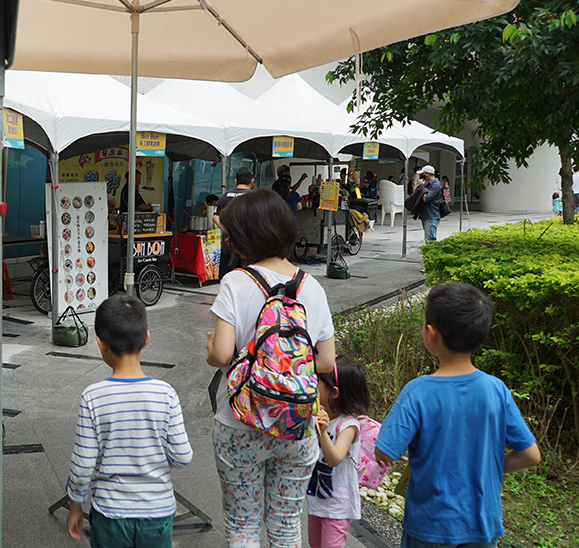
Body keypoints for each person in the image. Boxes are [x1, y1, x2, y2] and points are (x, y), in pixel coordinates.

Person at [205, 189, 336, 547]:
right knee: (285, 524)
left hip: (240, 420)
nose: (229, 240)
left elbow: (220, 355)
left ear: (248, 236)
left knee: (243, 525)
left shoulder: (235, 282)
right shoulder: (312, 287)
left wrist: (213, 350)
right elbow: (325, 361)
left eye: (232, 234)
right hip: (297, 422)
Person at [375, 283, 541, 547]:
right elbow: (531, 455)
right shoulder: (496, 390)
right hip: (482, 525)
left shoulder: (418, 392)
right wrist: (491, 465)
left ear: (431, 334)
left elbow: (386, 452)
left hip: (429, 526)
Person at [66, 295, 193, 547]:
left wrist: (75, 506)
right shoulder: (166, 394)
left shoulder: (93, 397)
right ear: (146, 338)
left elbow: (82, 466)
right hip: (158, 513)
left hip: (110, 514)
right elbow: (183, 456)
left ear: (101, 344)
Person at [307, 356, 370, 548]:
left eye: (317, 381)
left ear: (334, 392)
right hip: (316, 499)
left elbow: (334, 458)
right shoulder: (318, 415)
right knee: (314, 544)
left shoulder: (348, 425)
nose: (312, 385)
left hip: (338, 507)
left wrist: (323, 431)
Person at [213, 166, 254, 280]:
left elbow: (215, 218)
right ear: (252, 181)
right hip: (249, 249)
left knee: (227, 280)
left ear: (236, 181)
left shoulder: (224, 196)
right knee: (248, 281)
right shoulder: (256, 198)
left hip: (228, 247)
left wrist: (230, 233)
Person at [418, 165, 442, 242]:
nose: (422, 176)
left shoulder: (435, 185)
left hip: (431, 215)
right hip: (427, 214)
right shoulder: (430, 184)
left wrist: (421, 186)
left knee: (430, 240)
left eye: (423, 174)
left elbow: (426, 198)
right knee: (428, 239)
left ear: (428, 174)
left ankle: (432, 253)